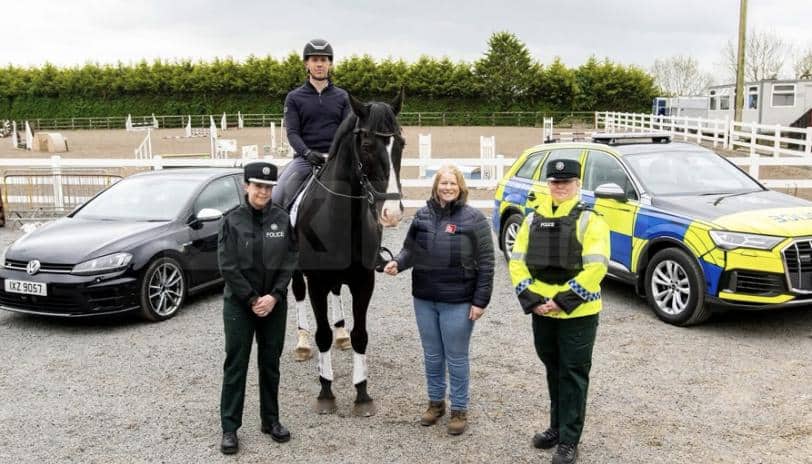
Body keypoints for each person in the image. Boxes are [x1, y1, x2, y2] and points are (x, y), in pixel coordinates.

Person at [508, 159, 610, 464]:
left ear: (578, 185)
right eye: (555, 182)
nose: (560, 187)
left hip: (577, 314)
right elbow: (517, 262)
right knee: (553, 370)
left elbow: (596, 267)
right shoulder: (531, 220)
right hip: (542, 311)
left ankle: (569, 439)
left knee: (573, 375)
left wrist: (562, 301)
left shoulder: (591, 221)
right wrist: (532, 298)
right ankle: (556, 427)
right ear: (548, 184)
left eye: (566, 182)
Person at [383, 165, 494, 436]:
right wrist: (398, 263)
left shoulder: (474, 219)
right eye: (443, 183)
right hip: (425, 298)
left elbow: (487, 263)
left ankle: (459, 409)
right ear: (436, 187)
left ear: (460, 187)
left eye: (452, 183)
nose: (447, 188)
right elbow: (410, 250)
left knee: (456, 357)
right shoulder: (422, 216)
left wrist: (480, 301)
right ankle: (435, 404)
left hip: (458, 300)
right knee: (432, 356)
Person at [274, 38, 351, 361]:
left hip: (335, 160)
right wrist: (307, 154)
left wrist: (335, 156)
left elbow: (348, 129)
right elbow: (292, 132)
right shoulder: (295, 98)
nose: (319, 64)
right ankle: (280, 248)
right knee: (279, 199)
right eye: (314, 59)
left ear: (331, 64)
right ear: (306, 64)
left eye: (325, 59)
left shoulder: (342, 97)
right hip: (306, 160)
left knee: (359, 200)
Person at [217, 161, 298, 455]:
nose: (263, 191)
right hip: (240, 305)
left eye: (268, 187)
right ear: (246, 186)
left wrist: (274, 296)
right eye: (258, 185)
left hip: (274, 304)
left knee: (270, 363)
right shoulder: (232, 221)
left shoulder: (282, 218)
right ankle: (229, 427)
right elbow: (228, 266)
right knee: (236, 365)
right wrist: (253, 299)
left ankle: (271, 420)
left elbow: (290, 259)